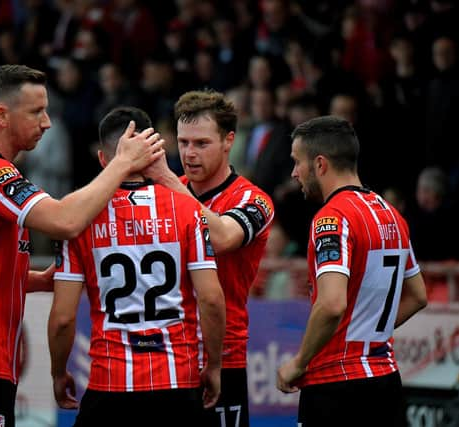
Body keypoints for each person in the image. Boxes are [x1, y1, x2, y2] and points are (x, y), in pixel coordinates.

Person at [0, 64, 164, 427]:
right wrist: (122, 163)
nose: (47, 122)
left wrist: (42, 279)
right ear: (2, 115)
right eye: (36, 111)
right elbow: (65, 221)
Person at [47, 106, 226, 427]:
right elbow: (211, 299)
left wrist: (58, 372)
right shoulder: (188, 209)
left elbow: (63, 318)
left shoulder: (75, 218)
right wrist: (213, 366)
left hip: (110, 385)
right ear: (154, 152)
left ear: (104, 159)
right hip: (178, 384)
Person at [277, 116, 428, 427]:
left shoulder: (332, 219)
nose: (293, 173)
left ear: (320, 164)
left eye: (296, 162)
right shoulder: (391, 215)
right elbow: (418, 296)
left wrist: (299, 362)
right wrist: (365, 330)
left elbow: (332, 304)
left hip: (337, 387)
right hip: (385, 379)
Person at [145, 89, 275, 427]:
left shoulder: (253, 199)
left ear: (229, 140)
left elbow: (221, 237)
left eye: (201, 143)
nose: (189, 153)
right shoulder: (166, 191)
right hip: (169, 357)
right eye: (184, 142)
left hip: (223, 358)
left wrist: (167, 179)